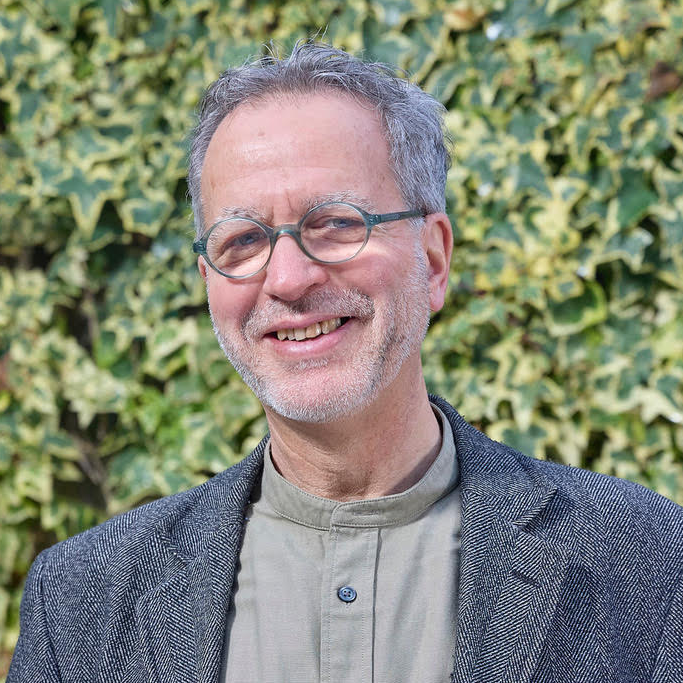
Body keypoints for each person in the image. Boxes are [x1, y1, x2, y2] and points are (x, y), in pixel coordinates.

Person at [8, 42, 683, 683]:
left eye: (334, 223)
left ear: (433, 258)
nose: (288, 278)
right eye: (242, 240)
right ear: (209, 280)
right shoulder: (80, 603)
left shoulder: (645, 561)